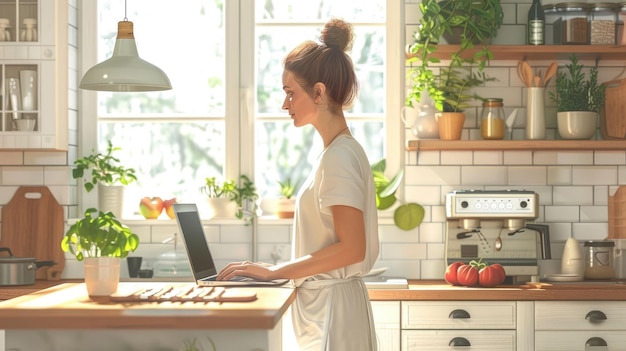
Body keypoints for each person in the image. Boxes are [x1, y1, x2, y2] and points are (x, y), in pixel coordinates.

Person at [217, 18, 379, 351]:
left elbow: (352, 249)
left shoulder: (339, 158)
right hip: (328, 311)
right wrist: (274, 269)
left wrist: (276, 272)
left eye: (291, 93)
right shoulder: (337, 152)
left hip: (335, 316)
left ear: (318, 92)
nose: (284, 104)